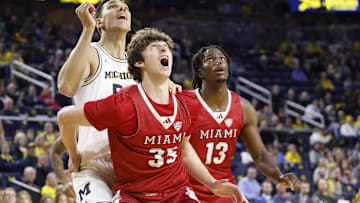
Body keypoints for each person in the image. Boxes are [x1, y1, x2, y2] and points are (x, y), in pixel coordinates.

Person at [58, 28, 243, 202]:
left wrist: (211, 183)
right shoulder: (124, 105)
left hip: (177, 195)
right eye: (154, 47)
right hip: (134, 196)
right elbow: (65, 116)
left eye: (167, 48)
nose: (164, 48)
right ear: (139, 62)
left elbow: (184, 149)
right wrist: (74, 153)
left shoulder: (188, 103)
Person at [52, 1, 180, 201]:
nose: (122, 9)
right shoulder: (92, 53)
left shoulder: (141, 65)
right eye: (113, 6)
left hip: (134, 166)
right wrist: (88, 29)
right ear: (100, 22)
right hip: (94, 165)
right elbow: (66, 87)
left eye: (126, 8)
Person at [187, 45, 301, 202]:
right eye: (211, 59)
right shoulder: (184, 103)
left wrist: (279, 176)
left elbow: (260, 155)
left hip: (225, 187)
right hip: (187, 187)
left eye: (222, 59)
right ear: (200, 72)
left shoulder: (243, 107)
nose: (218, 63)